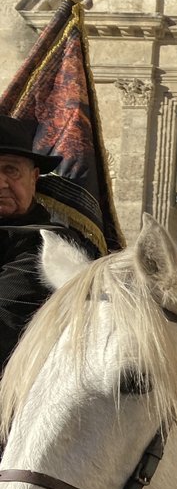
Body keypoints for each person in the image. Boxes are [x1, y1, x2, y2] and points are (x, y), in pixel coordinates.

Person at [0, 116, 87, 370]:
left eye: (11, 170)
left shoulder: (51, 244)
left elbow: (6, 315)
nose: (1, 183)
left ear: (34, 177)